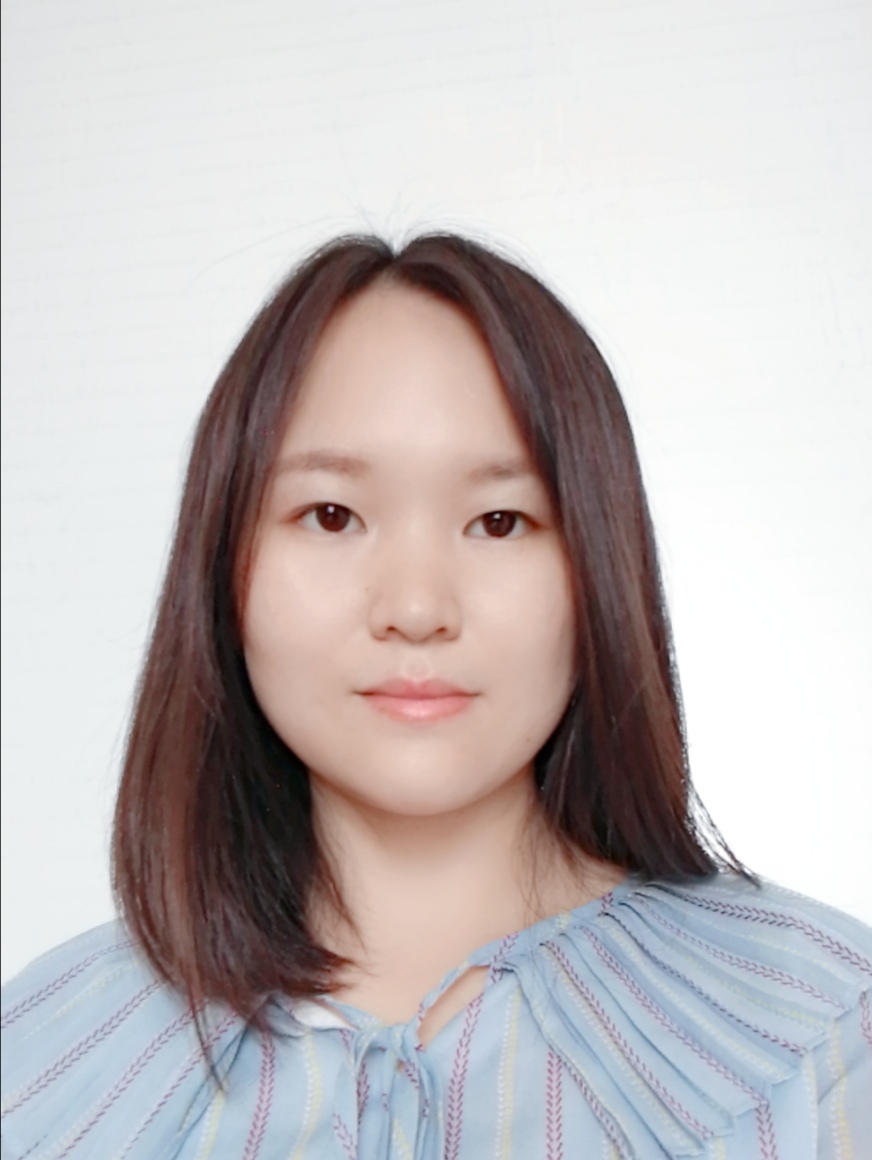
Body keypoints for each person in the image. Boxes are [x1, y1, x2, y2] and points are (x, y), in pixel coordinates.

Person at [1, 233, 869, 1160]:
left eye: (499, 521)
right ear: (223, 568)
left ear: (596, 572)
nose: (416, 609)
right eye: (331, 515)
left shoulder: (821, 1039)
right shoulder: (41, 1067)